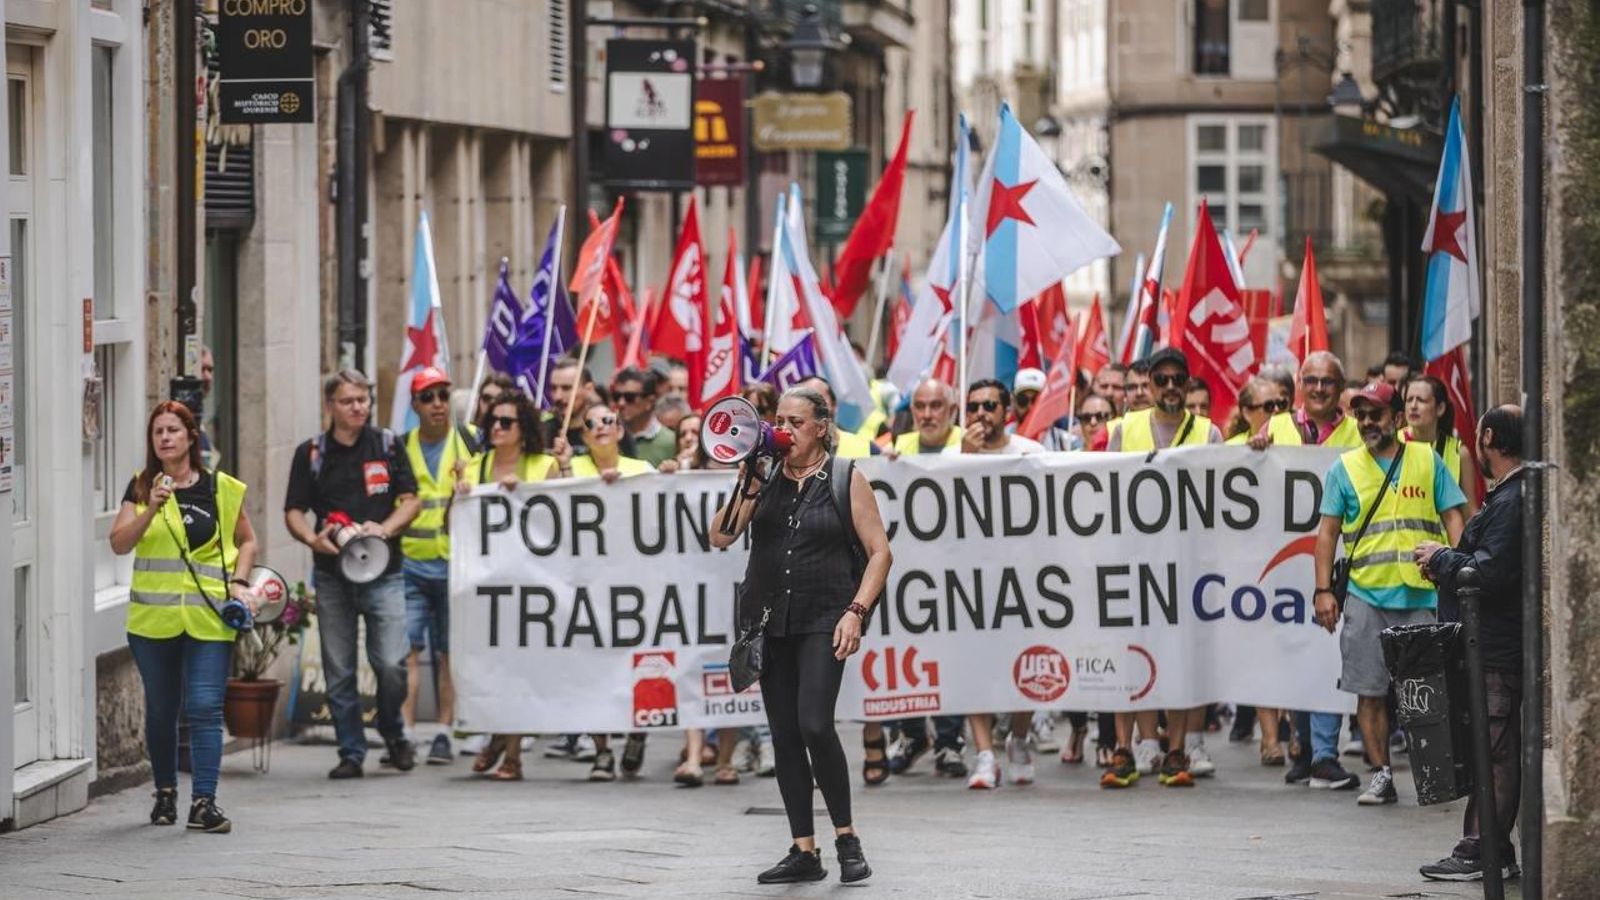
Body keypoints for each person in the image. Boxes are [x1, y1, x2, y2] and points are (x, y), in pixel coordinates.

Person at [710, 386, 891, 885]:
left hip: (823, 619)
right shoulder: (763, 478)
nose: (782, 429)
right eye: (778, 420)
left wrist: (856, 610)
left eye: (794, 421)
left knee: (814, 724)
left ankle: (847, 838)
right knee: (785, 734)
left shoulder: (845, 479)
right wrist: (749, 479)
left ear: (820, 428)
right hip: (772, 621)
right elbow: (721, 535)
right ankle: (803, 849)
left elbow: (880, 552)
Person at [109, 401, 260, 834]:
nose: (165, 438)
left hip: (210, 618)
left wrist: (240, 582)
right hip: (152, 622)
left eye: (174, 430)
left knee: (205, 707)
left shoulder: (221, 489)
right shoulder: (140, 487)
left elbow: (247, 541)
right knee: (162, 710)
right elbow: (119, 544)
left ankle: (204, 802)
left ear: (191, 436)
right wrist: (152, 508)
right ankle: (165, 794)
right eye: (158, 432)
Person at [1313, 381, 1466, 806]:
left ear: (1397, 419)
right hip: (1366, 597)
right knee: (1370, 691)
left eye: (1375, 414)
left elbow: (1454, 517)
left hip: (1420, 597)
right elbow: (1326, 535)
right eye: (1360, 415)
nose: (1366, 423)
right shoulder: (1343, 469)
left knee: (1426, 695)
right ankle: (1381, 774)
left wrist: (1456, 572)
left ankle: (1435, 776)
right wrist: (1323, 590)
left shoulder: (1426, 459)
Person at [284, 370, 421, 779]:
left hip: (385, 571)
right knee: (338, 667)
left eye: (364, 399)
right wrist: (312, 539)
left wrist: (386, 528)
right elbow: (293, 510)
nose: (359, 407)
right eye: (349, 401)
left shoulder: (387, 445)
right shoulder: (311, 453)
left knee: (393, 663)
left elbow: (411, 500)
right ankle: (351, 751)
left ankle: (391, 726)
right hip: (332, 575)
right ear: (331, 406)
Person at [1103, 348, 1223, 789]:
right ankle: (1125, 748)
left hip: (1187, 568)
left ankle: (1176, 750)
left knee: (1181, 659)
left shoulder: (1210, 434)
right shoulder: (1123, 429)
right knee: (1129, 656)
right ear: (1150, 385)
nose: (1170, 387)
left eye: (1179, 379)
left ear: (1188, 385)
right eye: (1162, 379)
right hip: (1133, 565)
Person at [1415, 405, 1526, 882]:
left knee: (1495, 749)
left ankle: (1486, 849)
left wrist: (1442, 559)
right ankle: (1483, 846)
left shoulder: (1512, 499)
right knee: (1491, 746)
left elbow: (1490, 572)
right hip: (1491, 645)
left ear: (1487, 438)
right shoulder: (1511, 496)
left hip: (1496, 648)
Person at [1248, 352, 1367, 789]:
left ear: (1339, 388)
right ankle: (1301, 745)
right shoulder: (1276, 427)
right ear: (1300, 383)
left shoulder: (1358, 432)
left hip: (1336, 562)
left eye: (1328, 382)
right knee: (1294, 653)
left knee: (1327, 654)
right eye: (1311, 380)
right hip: (1281, 560)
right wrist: (1254, 449)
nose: (1319, 388)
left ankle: (1323, 752)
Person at [454, 390, 561, 781]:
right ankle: (498, 736)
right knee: (492, 668)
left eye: (506, 422)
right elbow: (461, 522)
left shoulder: (544, 465)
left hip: (529, 582)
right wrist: (461, 495)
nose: (496, 428)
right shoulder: (475, 466)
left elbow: (559, 523)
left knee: (519, 668)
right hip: (486, 585)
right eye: (492, 421)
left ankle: (511, 753)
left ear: (524, 428)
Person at [957, 379, 1044, 790]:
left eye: (990, 405)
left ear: (1006, 410)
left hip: (1025, 581)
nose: (980, 414)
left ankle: (1020, 738)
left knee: (1026, 665)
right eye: (973, 406)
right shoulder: (952, 455)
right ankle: (985, 754)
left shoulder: (1031, 453)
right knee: (975, 669)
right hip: (972, 581)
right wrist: (965, 460)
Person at [565, 401, 658, 779]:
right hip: (588, 585)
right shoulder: (571, 470)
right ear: (584, 435)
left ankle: (637, 733)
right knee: (593, 669)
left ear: (620, 430)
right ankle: (602, 750)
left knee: (640, 664)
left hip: (636, 586)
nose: (601, 426)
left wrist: (669, 476)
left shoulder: (643, 470)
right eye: (592, 423)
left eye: (609, 421)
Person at [396, 368, 476, 765]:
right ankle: (406, 732)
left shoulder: (468, 443)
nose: (438, 405)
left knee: (448, 651)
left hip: (454, 565)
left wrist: (469, 481)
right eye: (428, 398)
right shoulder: (400, 447)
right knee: (408, 649)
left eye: (443, 395)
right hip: (410, 564)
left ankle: (444, 731)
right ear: (415, 406)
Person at [1402, 375, 1481, 516]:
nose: (1413, 406)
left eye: (1421, 400)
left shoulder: (1459, 453)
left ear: (1440, 408)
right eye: (1409, 400)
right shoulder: (1394, 443)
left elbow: (1469, 511)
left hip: (1443, 538)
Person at [611, 366, 678, 468]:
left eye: (630, 397)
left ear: (650, 401)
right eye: (616, 396)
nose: (621, 403)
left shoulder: (671, 442)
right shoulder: (607, 438)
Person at [890, 378, 963, 457]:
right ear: (912, 411)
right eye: (920, 406)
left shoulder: (968, 441)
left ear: (951, 410)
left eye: (935, 406)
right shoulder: (902, 444)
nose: (927, 415)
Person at [1012, 367, 1079, 450]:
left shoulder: (1066, 443)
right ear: (1013, 401)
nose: (1030, 407)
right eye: (1022, 400)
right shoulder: (1001, 440)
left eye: (1036, 400)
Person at [1225, 375, 1290, 445]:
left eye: (1281, 404)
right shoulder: (1232, 447)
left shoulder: (1297, 437)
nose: (1277, 409)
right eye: (1269, 406)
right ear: (1247, 413)